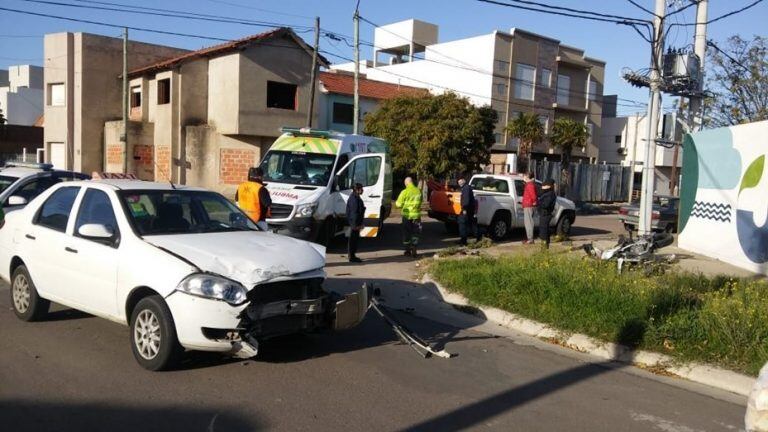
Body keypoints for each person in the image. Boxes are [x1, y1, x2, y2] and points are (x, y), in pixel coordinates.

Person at [395, 176, 423, 257]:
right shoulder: (418, 191)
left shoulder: (405, 192)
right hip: (416, 216)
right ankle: (414, 249)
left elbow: (398, 204)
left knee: (406, 233)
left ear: (406, 183)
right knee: (415, 233)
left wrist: (402, 205)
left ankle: (407, 251)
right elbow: (420, 202)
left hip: (407, 216)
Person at [457, 175, 480, 246]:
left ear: (464, 180)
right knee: (472, 224)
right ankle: (479, 238)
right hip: (470, 209)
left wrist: (464, 209)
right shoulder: (466, 187)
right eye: (458, 181)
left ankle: (463, 241)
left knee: (462, 224)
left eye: (460, 181)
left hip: (467, 209)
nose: (459, 182)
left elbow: (466, 200)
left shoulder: (466, 188)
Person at [346, 183, 365, 263]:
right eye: (361, 189)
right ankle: (352, 257)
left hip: (356, 223)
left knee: (354, 240)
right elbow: (354, 213)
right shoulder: (354, 199)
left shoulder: (355, 197)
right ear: (357, 190)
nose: (362, 190)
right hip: (354, 223)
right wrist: (355, 225)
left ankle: (352, 255)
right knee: (353, 240)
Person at [537, 179, 557, 249]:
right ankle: (544, 248)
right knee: (544, 231)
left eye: (544, 185)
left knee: (544, 232)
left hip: (546, 214)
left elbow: (546, 205)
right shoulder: (546, 193)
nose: (542, 187)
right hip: (544, 214)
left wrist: (538, 203)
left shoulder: (550, 194)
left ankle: (544, 249)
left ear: (548, 186)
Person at [521, 172, 538, 244]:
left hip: (529, 205)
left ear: (529, 178)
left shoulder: (530, 185)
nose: (524, 177)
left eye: (525, 176)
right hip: (528, 205)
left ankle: (530, 239)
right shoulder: (529, 184)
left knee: (529, 223)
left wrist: (534, 201)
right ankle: (529, 238)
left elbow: (533, 195)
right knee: (528, 222)